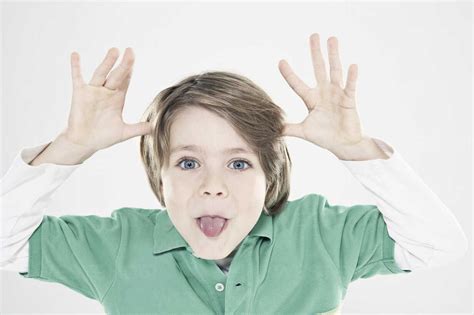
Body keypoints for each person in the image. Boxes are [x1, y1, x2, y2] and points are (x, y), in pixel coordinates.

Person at [1, 33, 467, 314]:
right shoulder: (117, 246)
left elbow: (438, 243)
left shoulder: (322, 233)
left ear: (271, 174)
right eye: (187, 163)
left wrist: (355, 150)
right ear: (158, 173)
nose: (212, 184)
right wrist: (71, 148)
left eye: (239, 163)